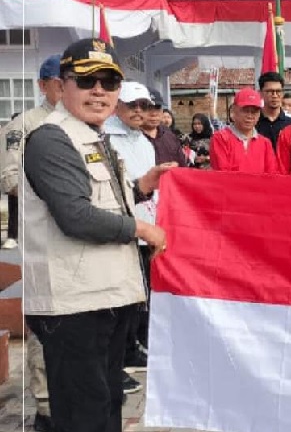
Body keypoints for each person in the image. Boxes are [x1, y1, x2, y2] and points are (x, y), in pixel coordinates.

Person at [23, 38, 170, 432]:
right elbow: (76, 215)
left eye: (109, 82)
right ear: (63, 85)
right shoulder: (51, 138)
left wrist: (143, 186)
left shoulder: (95, 135)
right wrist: (142, 227)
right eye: (87, 81)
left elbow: (105, 200)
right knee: (83, 414)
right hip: (74, 305)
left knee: (106, 406)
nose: (99, 91)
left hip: (107, 296)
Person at [0, 54, 62, 431]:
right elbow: (9, 179)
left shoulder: (86, 125)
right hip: (43, 238)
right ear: (43, 85)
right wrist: (60, 195)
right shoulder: (25, 126)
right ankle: (44, 402)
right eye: (59, 81)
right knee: (44, 321)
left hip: (83, 240)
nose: (67, 87)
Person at [104, 81, 160, 394]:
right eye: (132, 105)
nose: (139, 111)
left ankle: (129, 348)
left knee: (139, 294)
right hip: (123, 229)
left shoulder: (143, 141)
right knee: (121, 298)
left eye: (143, 105)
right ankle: (117, 363)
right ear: (118, 106)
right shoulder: (107, 138)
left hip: (146, 226)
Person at [210, 88, 278, 174]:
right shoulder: (220, 138)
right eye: (245, 110)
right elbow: (223, 176)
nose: (250, 116)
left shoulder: (265, 143)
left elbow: (271, 176)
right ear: (234, 110)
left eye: (254, 112)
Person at [142, 90, 187, 167]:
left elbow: (182, 165)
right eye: (148, 107)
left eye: (157, 107)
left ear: (162, 110)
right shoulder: (130, 139)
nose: (154, 113)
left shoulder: (169, 135)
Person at [256, 71, 291, 149]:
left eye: (278, 91)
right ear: (260, 93)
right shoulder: (253, 122)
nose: (274, 95)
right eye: (269, 91)